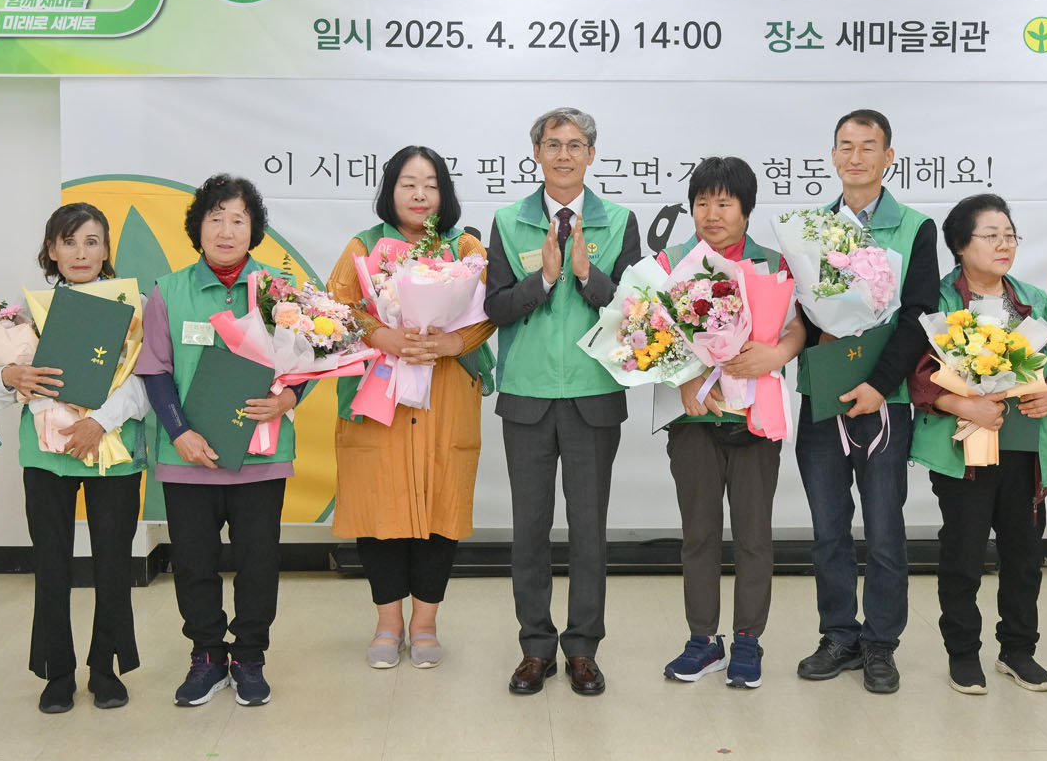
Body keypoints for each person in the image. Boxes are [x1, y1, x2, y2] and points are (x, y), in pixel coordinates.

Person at [486, 107, 642, 696]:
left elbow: (636, 313)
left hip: (592, 396)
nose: (564, 155)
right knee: (528, 529)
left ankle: (582, 649)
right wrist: (544, 282)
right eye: (553, 144)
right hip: (527, 395)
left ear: (592, 156)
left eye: (576, 145)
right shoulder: (508, 222)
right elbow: (495, 308)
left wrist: (585, 276)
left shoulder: (619, 221)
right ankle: (534, 648)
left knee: (588, 530)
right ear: (536, 153)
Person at [135, 175, 301, 709]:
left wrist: (288, 398)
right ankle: (206, 654)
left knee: (259, 562)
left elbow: (306, 359)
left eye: (238, 220)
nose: (226, 231)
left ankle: (249, 656)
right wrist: (179, 433)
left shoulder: (279, 290)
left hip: (261, 453)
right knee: (193, 562)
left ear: (254, 229)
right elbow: (155, 370)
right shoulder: (168, 291)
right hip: (189, 456)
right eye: (215, 218)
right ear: (198, 227)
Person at [328, 147, 495, 669]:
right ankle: (387, 624)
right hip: (379, 393)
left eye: (431, 184)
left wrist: (451, 343)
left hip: (447, 391)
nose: (420, 194)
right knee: (380, 506)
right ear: (390, 190)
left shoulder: (465, 248)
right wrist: (383, 336)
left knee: (440, 504)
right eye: (408, 184)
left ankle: (425, 625)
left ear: (444, 193)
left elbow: (491, 312)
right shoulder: (364, 247)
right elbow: (336, 309)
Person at [909, 195, 1047, 695]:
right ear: (960, 245)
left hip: (1025, 447)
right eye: (991, 235)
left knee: (1024, 556)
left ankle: (1018, 650)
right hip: (961, 449)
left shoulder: (1034, 300)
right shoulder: (938, 301)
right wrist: (964, 405)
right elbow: (918, 374)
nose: (1004, 244)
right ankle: (963, 653)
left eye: (1010, 235)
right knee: (963, 556)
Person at [794, 109, 940, 695]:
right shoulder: (809, 229)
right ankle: (838, 635)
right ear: (832, 155)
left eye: (868, 146)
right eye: (845, 146)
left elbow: (919, 314)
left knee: (883, 531)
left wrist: (879, 383)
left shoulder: (915, 227)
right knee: (827, 528)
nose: (855, 157)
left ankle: (881, 642)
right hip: (823, 391)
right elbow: (799, 311)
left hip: (886, 398)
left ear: (889, 157)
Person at [0, 203, 148, 713]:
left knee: (113, 563)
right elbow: (2, 383)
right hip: (46, 454)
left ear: (106, 251)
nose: (81, 253)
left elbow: (147, 380)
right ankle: (56, 672)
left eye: (92, 242)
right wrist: (10, 378)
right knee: (52, 564)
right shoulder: (24, 311)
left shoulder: (135, 307)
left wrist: (97, 422)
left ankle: (106, 669)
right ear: (52, 250)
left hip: (113, 449)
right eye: (69, 241)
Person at [657, 157, 804, 690]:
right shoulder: (671, 261)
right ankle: (703, 640)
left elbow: (798, 327)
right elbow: (650, 332)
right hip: (694, 418)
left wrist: (777, 353)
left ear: (746, 209)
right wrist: (683, 379)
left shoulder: (773, 264)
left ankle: (747, 641)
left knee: (753, 535)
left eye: (724, 203)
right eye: (702, 203)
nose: (712, 214)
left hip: (755, 418)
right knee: (697, 533)